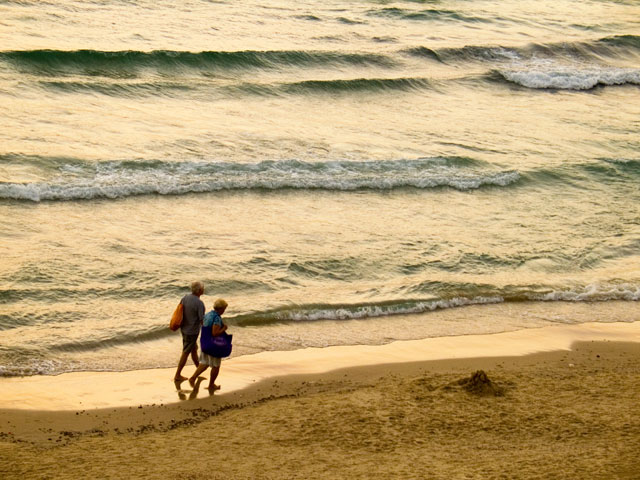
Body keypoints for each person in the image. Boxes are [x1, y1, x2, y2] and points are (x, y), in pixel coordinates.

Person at [189, 298, 228, 391]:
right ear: (221, 309)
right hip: (213, 344)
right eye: (224, 309)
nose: (224, 311)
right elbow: (215, 333)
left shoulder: (207, 315)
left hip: (204, 341)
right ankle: (211, 384)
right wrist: (224, 329)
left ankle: (193, 378)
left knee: (205, 363)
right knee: (216, 365)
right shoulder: (217, 318)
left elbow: (203, 325)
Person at [174, 281, 205, 382]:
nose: (204, 289)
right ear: (199, 290)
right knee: (186, 352)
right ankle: (177, 375)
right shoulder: (199, 303)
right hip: (192, 331)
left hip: (184, 329)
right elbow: (202, 320)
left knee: (193, 349)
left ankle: (198, 371)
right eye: (203, 288)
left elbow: (180, 310)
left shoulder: (185, 297)